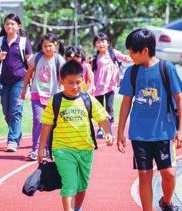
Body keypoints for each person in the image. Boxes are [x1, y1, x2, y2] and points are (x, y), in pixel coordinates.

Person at [117, 28, 182, 211]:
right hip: (139, 135)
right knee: (144, 175)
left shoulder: (166, 68)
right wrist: (120, 132)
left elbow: (180, 99)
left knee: (169, 174)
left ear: (145, 50)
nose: (129, 55)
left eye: (132, 51)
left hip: (164, 133)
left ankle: (166, 202)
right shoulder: (131, 72)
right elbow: (125, 103)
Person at [37, 60, 113, 211]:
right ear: (62, 81)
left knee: (82, 184)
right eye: (70, 83)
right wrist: (41, 149)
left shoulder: (87, 99)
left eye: (78, 82)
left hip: (85, 149)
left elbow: (102, 119)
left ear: (83, 81)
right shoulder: (55, 101)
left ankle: (77, 208)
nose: (75, 86)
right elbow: (47, 125)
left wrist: (108, 132)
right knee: (69, 183)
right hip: (62, 149)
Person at [0, 13, 33, 152]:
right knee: (6, 111)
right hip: (3, 82)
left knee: (15, 111)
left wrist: (33, 77)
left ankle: (12, 141)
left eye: (13, 24)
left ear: (18, 26)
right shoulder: (0, 41)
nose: (10, 26)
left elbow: (30, 62)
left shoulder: (23, 42)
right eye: (7, 24)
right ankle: (16, 133)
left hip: (19, 80)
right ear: (4, 26)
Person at [21, 33, 65, 160]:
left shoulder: (59, 60)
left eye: (50, 46)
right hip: (37, 94)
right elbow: (29, 73)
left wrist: (64, 93)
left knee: (51, 123)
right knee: (38, 120)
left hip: (53, 96)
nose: (47, 48)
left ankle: (48, 148)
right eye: (45, 46)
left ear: (55, 45)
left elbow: (63, 79)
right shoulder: (37, 57)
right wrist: (24, 89)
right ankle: (35, 149)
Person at [91, 32, 132, 138]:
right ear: (95, 45)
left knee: (109, 107)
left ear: (108, 43)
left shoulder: (113, 53)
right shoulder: (95, 58)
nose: (101, 44)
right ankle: (100, 129)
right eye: (98, 42)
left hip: (110, 86)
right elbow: (90, 72)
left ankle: (109, 129)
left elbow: (125, 58)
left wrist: (134, 57)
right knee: (99, 109)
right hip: (98, 88)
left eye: (103, 41)